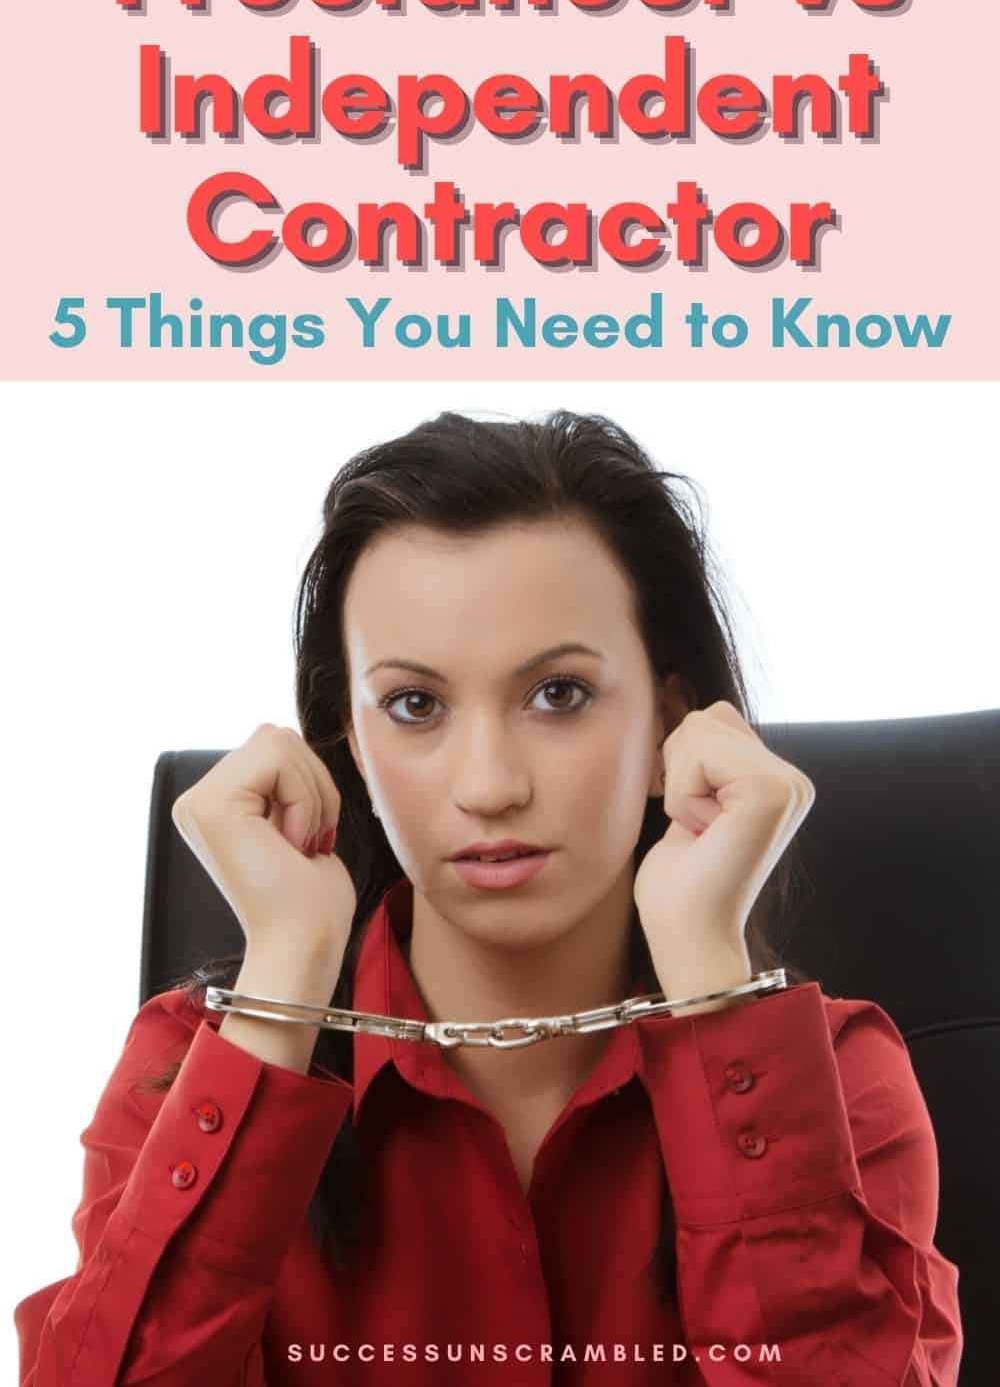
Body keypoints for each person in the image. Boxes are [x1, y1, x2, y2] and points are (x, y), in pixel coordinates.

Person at [15, 409, 962, 1385]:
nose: (488, 784)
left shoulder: (836, 1084)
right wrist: (286, 975)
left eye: (558, 694)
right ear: (347, 736)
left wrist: (708, 970)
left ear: (671, 718)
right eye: (415, 706)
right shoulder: (192, 1071)